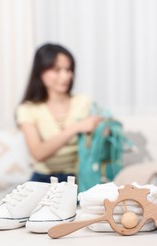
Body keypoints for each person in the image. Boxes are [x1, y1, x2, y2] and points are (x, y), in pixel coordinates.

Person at [16, 43, 101, 183]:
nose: (65, 76)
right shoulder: (27, 109)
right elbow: (38, 153)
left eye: (68, 70)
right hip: (43, 178)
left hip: (78, 177)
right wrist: (76, 128)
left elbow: (99, 141)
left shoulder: (83, 101)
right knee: (4, 205)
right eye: (57, 70)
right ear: (40, 72)